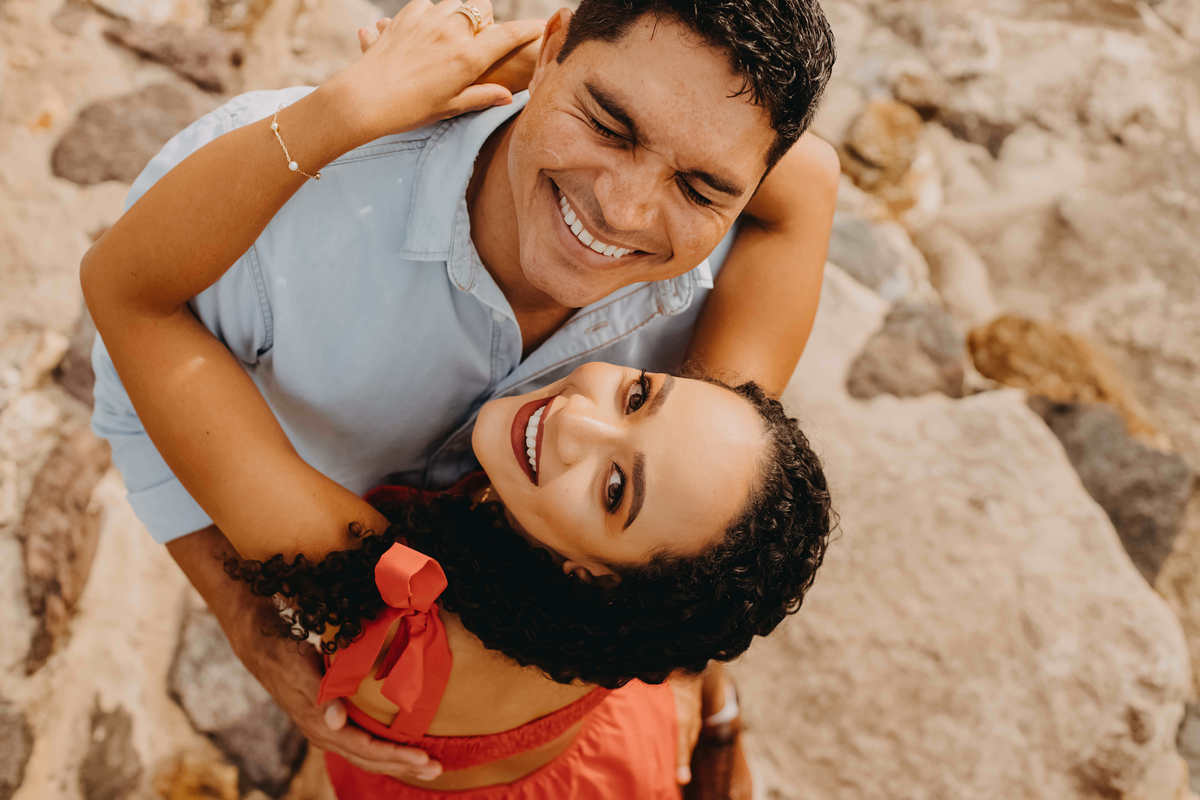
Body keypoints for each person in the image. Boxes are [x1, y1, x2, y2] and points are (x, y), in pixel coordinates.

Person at [83, 0, 838, 785]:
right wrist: (531, 69)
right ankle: (713, 716)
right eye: (610, 122)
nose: (623, 210)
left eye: (616, 490)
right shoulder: (652, 590)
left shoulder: (389, 609)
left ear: (602, 587)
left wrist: (356, 105)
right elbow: (811, 181)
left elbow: (130, 296)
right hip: (616, 749)